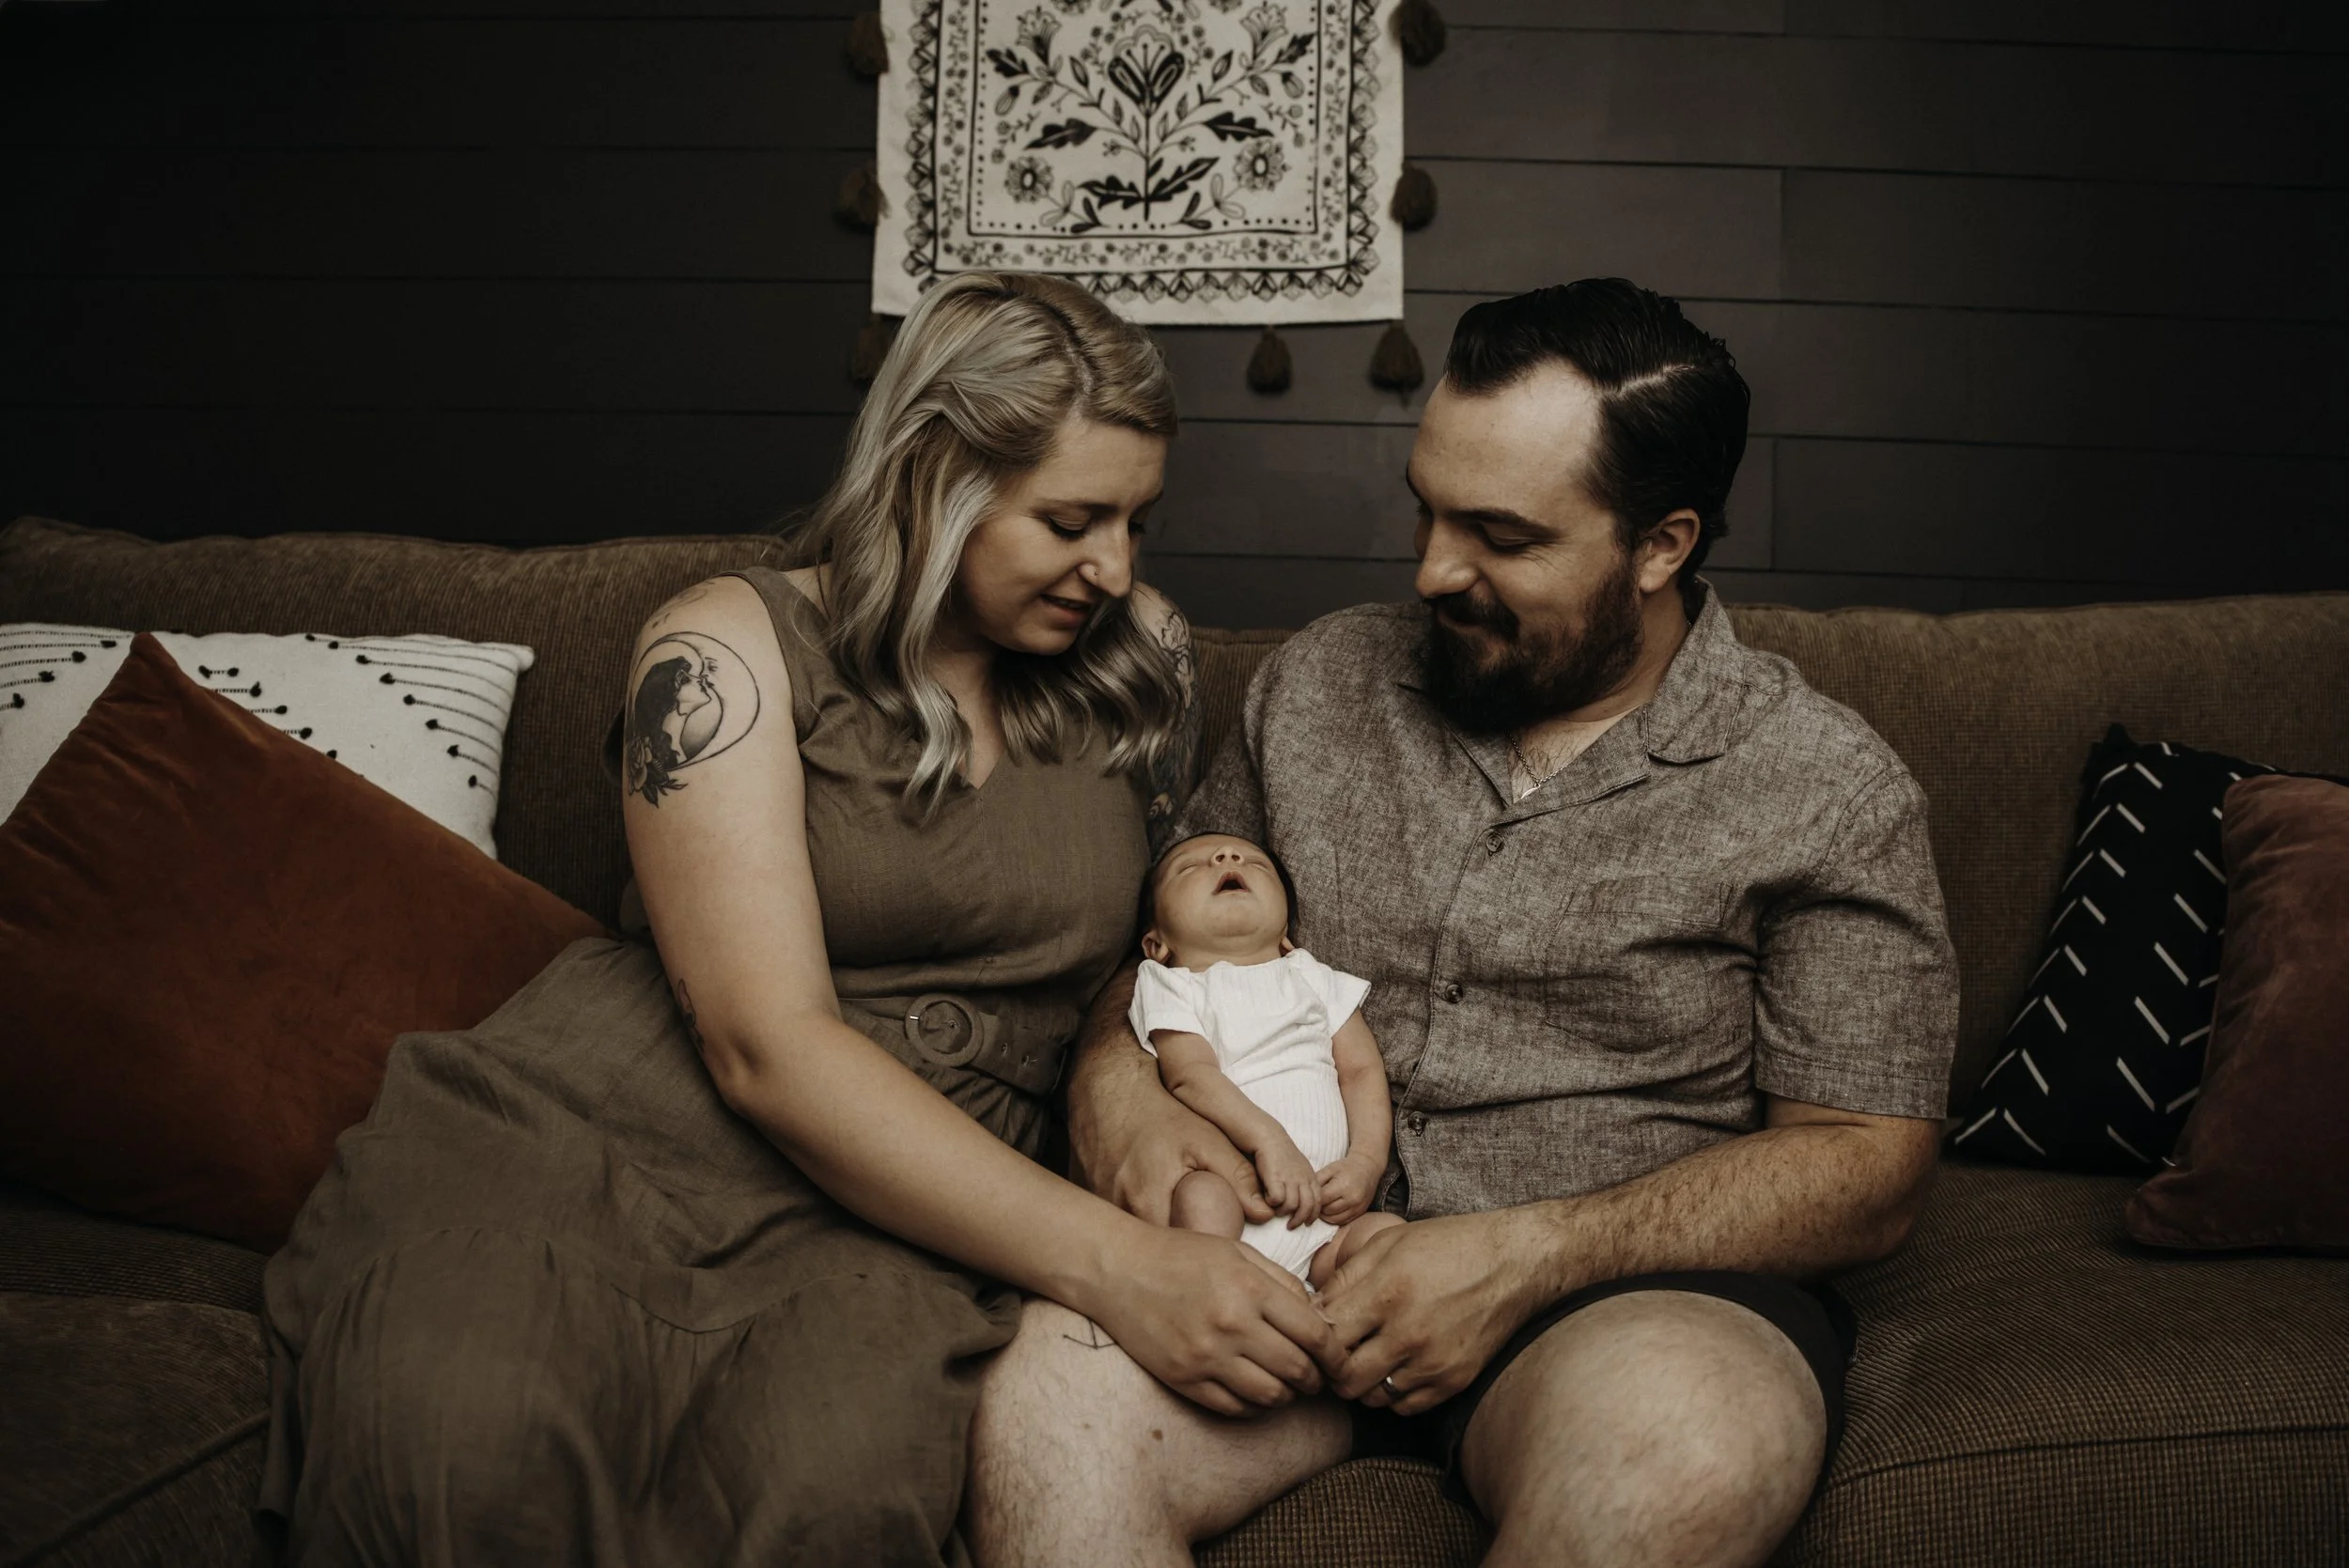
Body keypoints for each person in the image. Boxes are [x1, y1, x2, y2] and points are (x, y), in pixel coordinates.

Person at [257, 270, 1335, 1568]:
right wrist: (1118, 1267)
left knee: (832, 1490)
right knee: (464, 1436)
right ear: (932, 476)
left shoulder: (1138, 658)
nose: (1112, 566)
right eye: (1070, 520)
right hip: (609, 1148)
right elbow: (761, 1044)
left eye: (1136, 522)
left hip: (911, 1210)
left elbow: (1149, 959)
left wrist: (1143, 1102)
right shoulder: (722, 645)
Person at [967, 279, 1961, 1568]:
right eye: (1427, 511)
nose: (1433, 570)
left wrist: (1526, 1255)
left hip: (1611, 1305)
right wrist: (1117, 1095)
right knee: (1043, 1405)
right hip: (1273, 1258)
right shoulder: (1320, 682)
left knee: (1685, 1456)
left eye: (1500, 535)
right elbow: (1157, 959)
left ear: (1660, 545)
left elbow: (1867, 1160)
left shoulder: (1826, 785)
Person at [1133, 831, 1403, 1288]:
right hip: (1235, 1199)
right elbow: (1190, 1075)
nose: (1227, 857)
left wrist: (1365, 1163)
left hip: (1322, 1228)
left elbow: (1361, 1072)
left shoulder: (1313, 977)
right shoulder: (1170, 984)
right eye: (1190, 866)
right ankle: (1221, 1291)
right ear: (1157, 945)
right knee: (1200, 1199)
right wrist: (1269, 1141)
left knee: (1389, 1237)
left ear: (1284, 936)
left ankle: (1317, 1308)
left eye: (1255, 863)